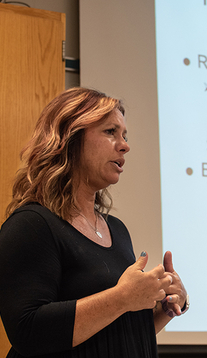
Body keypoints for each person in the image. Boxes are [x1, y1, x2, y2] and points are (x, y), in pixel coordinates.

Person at [0, 87, 188, 358]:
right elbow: (27, 332)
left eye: (124, 136)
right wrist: (122, 298)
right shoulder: (31, 226)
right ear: (69, 138)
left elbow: (113, 331)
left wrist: (166, 307)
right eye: (110, 131)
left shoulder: (117, 230)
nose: (125, 145)